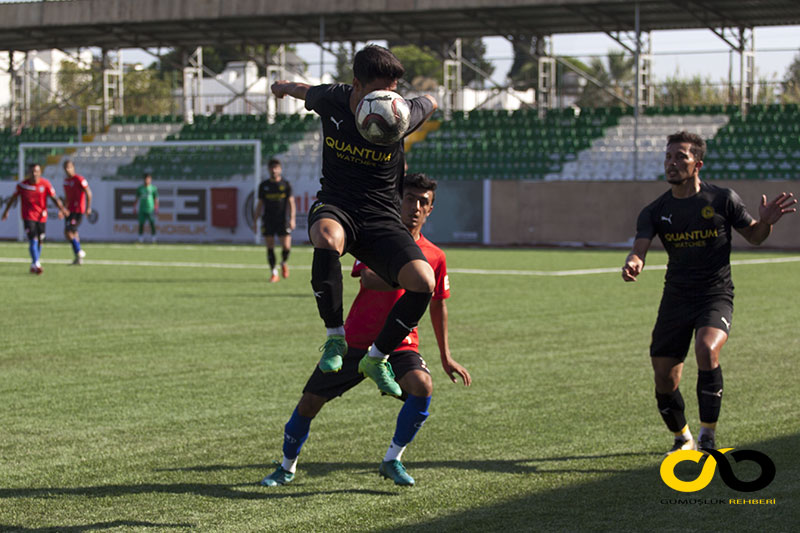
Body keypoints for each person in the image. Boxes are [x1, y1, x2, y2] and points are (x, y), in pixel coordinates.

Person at [261, 173, 471, 488]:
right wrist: (414, 281)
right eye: (409, 198)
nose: (414, 206)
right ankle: (286, 466)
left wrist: (446, 355)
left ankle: (392, 460)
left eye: (422, 202)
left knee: (423, 386)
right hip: (356, 340)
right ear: (397, 200)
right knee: (308, 404)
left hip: (399, 344)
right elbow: (369, 277)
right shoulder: (377, 238)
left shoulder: (436, 257)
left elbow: (438, 305)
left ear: (430, 209)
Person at [271, 45, 438, 398]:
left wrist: (426, 99)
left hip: (382, 218)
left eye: (392, 91)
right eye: (380, 91)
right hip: (337, 204)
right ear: (356, 85)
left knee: (423, 280)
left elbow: (430, 102)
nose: (387, 98)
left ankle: (376, 359)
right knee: (327, 237)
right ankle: (334, 338)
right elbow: (304, 92)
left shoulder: (401, 113)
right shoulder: (332, 98)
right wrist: (283, 87)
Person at [622, 131, 796, 455]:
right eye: (668, 157)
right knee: (663, 377)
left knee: (706, 349)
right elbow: (639, 249)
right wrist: (633, 262)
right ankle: (682, 436)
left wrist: (767, 222)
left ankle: (708, 435)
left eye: (681, 158)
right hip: (675, 298)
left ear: (697, 164)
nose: (672, 164)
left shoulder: (723, 200)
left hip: (715, 294)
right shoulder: (654, 210)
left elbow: (755, 236)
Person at [1, 162, 68, 274]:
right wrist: (6, 211)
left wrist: (62, 209)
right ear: (28, 173)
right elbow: (12, 199)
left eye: (36, 171)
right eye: (32, 171)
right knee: (33, 239)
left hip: (42, 217)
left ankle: (34, 263)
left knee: (40, 241)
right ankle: (36, 263)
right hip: (28, 216)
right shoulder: (22, 185)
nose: (34, 174)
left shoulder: (45, 184)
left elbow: (54, 198)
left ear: (40, 172)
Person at [253, 158, 296, 283]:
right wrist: (255, 221)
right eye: (272, 168)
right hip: (268, 220)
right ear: (268, 169)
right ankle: (274, 272)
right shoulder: (264, 186)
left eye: (276, 167)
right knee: (270, 246)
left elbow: (291, 203)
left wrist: (292, 219)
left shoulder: (286, 185)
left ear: (280, 169)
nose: (274, 170)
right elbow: (260, 204)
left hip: (282, 220)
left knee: (286, 247)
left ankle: (283, 262)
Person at [62, 159, 92, 265]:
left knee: (68, 232)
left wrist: (88, 207)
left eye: (69, 167)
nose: (67, 169)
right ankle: (78, 258)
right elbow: (67, 198)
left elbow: (89, 193)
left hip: (78, 210)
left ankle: (78, 250)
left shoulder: (79, 179)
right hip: (69, 211)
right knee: (73, 233)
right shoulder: (65, 181)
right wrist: (63, 209)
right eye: (65, 167)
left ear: (73, 167)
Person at [134, 173, 159, 243]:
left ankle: (154, 239)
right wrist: (134, 207)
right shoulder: (140, 188)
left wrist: (156, 207)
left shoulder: (153, 188)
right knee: (141, 224)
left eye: (148, 179)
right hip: (142, 209)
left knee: (152, 223)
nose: (147, 180)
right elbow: (136, 198)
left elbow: (156, 199)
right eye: (146, 179)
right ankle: (140, 239)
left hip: (150, 209)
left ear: (150, 179)